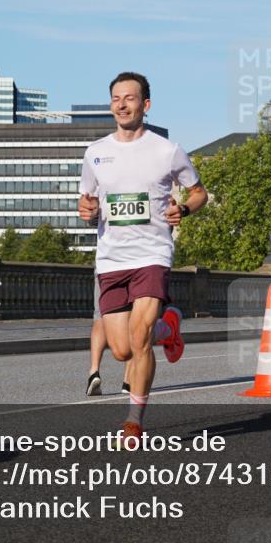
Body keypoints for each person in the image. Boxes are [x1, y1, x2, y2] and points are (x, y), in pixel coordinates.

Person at [78, 71, 208, 443]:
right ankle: (169, 328)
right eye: (116, 99)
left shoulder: (167, 150)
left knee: (140, 337)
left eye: (129, 98)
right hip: (111, 259)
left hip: (152, 253)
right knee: (121, 351)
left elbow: (199, 193)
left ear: (145, 105)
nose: (122, 104)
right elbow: (85, 201)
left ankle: (134, 420)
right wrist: (86, 210)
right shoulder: (96, 153)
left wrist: (184, 209)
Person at [85, 270, 131, 396]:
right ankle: (128, 381)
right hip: (134, 263)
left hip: (106, 266)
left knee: (100, 316)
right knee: (132, 318)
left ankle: (94, 372)